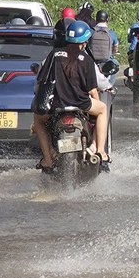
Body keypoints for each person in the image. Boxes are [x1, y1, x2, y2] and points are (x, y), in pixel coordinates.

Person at [32, 18, 109, 172]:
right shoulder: (86, 60)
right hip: (81, 104)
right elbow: (93, 90)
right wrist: (94, 109)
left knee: (38, 119)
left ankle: (48, 159)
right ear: (84, 41)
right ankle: (100, 151)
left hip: (57, 105)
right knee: (102, 109)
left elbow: (42, 80)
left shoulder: (54, 55)